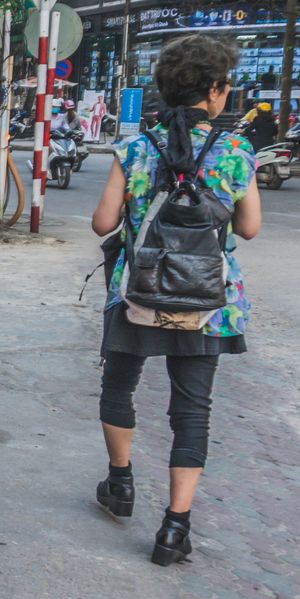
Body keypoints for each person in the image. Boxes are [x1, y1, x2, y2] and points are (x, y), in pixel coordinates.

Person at [90, 33, 261, 566]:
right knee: (192, 412)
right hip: (207, 302)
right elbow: (250, 228)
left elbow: (102, 222)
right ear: (213, 90)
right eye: (226, 85)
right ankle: (173, 529)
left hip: (138, 293)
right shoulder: (236, 151)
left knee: (119, 387)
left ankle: (120, 485)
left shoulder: (137, 148)